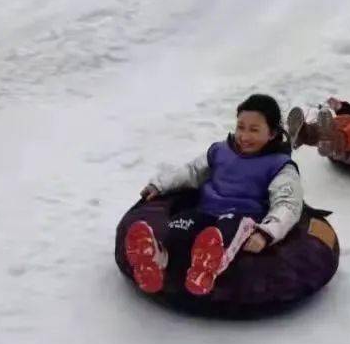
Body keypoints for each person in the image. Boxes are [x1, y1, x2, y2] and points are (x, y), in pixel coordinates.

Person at [129, 94, 303, 296]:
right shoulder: (220, 151)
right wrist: (160, 185)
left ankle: (207, 269)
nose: (244, 136)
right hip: (206, 212)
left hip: (242, 218)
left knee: (226, 231)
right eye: (241, 127)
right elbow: (192, 172)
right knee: (182, 224)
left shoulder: (279, 166)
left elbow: (288, 204)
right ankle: (157, 259)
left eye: (254, 130)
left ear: (272, 133)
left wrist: (266, 233)